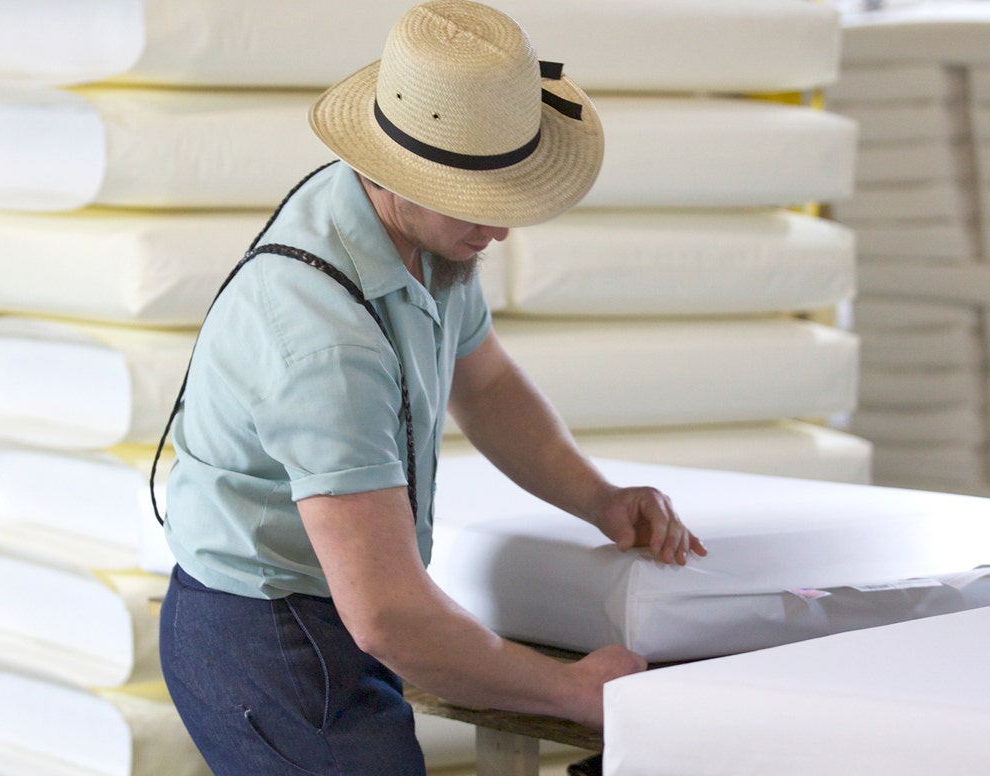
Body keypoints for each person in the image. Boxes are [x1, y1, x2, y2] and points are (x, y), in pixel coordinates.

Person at [156, 1, 707, 773]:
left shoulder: (423, 240)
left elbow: (487, 387)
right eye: (479, 204)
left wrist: (598, 497)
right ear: (392, 170)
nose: (501, 230)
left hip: (330, 605)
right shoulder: (321, 340)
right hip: (267, 634)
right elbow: (386, 614)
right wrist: (573, 691)